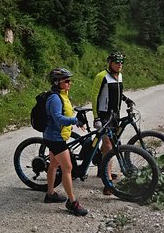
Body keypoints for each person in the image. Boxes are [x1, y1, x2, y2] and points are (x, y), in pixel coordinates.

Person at [43, 67, 88, 216]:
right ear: (57, 82)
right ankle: (72, 202)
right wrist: (74, 120)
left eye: (70, 81)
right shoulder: (55, 98)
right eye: (66, 81)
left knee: (54, 164)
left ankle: (50, 194)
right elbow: (57, 118)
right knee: (67, 168)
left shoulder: (62, 94)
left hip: (53, 136)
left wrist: (77, 118)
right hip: (55, 138)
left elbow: (65, 112)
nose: (70, 83)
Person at [92, 51, 134, 195]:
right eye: (117, 62)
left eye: (122, 62)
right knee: (109, 146)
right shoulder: (101, 76)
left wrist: (126, 99)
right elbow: (95, 97)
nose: (120, 64)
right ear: (110, 63)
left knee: (111, 144)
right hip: (104, 116)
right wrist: (96, 117)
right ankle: (107, 181)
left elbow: (116, 92)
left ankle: (102, 170)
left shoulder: (119, 76)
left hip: (115, 115)